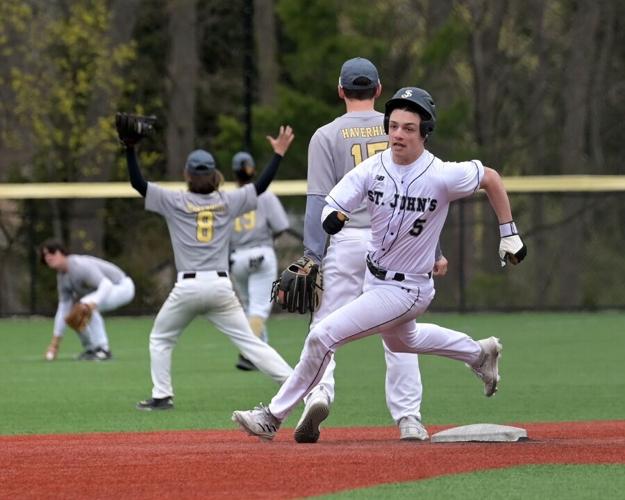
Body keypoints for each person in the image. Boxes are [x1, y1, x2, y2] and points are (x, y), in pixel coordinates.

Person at [232, 86, 527, 440]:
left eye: (408, 128)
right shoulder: (374, 167)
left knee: (322, 335)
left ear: (425, 133)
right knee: (406, 341)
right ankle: (479, 353)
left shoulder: (442, 175)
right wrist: (333, 216)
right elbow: (334, 200)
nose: (398, 134)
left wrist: (508, 232)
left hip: (409, 288)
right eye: (394, 126)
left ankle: (271, 416)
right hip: (377, 278)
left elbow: (490, 177)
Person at [293, 57, 447, 443]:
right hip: (397, 246)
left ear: (340, 90)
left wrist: (313, 253)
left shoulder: (325, 135)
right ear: (378, 90)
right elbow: (425, 197)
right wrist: (435, 251)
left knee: (325, 325)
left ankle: (319, 393)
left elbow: (318, 202)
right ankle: (409, 418)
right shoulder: (397, 127)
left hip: (345, 243)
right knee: (399, 333)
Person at [116, 114, 296, 411]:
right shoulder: (228, 201)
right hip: (220, 286)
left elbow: (138, 183)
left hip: (187, 287)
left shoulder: (174, 201)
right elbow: (260, 186)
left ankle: (162, 395)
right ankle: (293, 382)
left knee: (161, 337)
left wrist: (131, 148)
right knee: (251, 344)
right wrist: (278, 154)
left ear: (187, 175)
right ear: (215, 175)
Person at [228, 151, 290, 371]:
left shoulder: (230, 197)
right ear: (253, 169)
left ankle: (260, 353)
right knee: (259, 309)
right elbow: (282, 227)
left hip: (237, 257)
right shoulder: (264, 195)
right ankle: (248, 353)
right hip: (261, 252)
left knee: (249, 308)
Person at [40, 239, 135, 361]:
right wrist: (55, 343)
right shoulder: (62, 277)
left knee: (84, 306)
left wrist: (92, 304)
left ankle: (103, 349)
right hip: (107, 290)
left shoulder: (79, 265)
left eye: (51, 252)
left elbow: (106, 284)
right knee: (76, 312)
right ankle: (91, 349)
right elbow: (63, 309)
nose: (48, 257)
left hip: (122, 287)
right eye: (45, 255)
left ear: (61, 252)